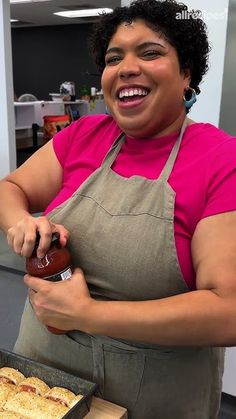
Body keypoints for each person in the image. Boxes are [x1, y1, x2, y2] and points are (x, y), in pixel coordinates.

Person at [0, 0, 236, 417]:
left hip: (151, 396)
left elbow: (227, 311)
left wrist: (89, 314)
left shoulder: (221, 161)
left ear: (187, 75)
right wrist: (20, 221)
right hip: (42, 380)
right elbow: (11, 187)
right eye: (114, 57)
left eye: (150, 52)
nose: (126, 67)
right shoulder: (84, 135)